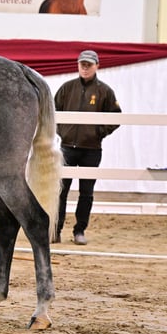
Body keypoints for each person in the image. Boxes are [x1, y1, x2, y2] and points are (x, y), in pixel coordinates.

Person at [54, 49, 121, 245]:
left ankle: (79, 230)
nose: (85, 68)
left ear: (96, 66)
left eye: (89, 65)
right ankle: (55, 229)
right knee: (61, 191)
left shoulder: (104, 91)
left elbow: (115, 117)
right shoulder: (67, 88)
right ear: (78, 65)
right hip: (67, 148)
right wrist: (62, 131)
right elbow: (53, 112)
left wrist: (98, 132)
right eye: (82, 64)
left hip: (91, 150)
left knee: (86, 192)